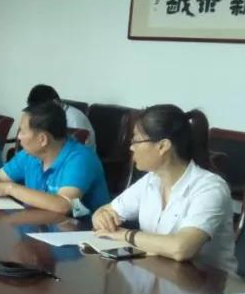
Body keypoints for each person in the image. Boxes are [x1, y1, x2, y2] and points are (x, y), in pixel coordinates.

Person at [92, 105, 236, 271]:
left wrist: (125, 235)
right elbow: (106, 211)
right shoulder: (151, 180)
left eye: (136, 140)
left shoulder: (210, 188)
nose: (131, 147)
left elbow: (181, 248)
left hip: (207, 281)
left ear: (162, 146)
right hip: (159, 271)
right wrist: (101, 217)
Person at [0, 101, 109, 215]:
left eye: (22, 131)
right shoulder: (30, 155)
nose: (18, 137)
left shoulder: (80, 159)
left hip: (80, 238)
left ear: (42, 139)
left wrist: (9, 188)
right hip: (40, 227)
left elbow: (64, 204)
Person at [24, 84, 96, 149]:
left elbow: (75, 148)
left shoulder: (74, 119)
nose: (39, 113)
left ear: (55, 102)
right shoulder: (50, 117)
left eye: (42, 109)